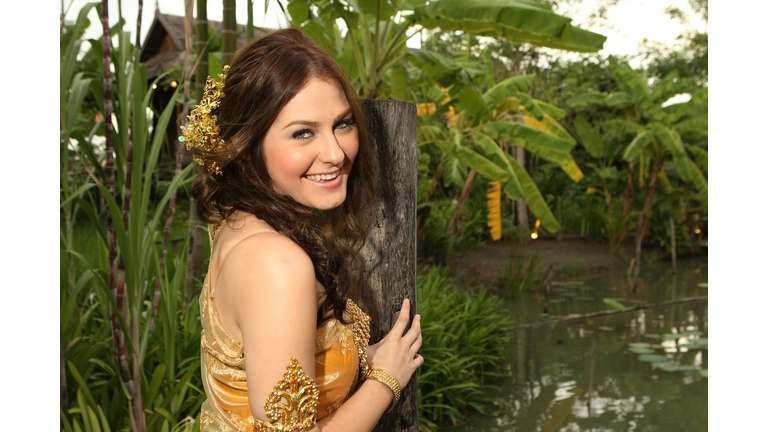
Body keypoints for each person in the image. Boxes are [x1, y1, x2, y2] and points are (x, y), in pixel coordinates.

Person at [183, 28, 423, 432]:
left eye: (343, 124)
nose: (335, 153)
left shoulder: (236, 220)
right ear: (244, 144)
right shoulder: (278, 263)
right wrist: (386, 381)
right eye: (302, 132)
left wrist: (359, 360)